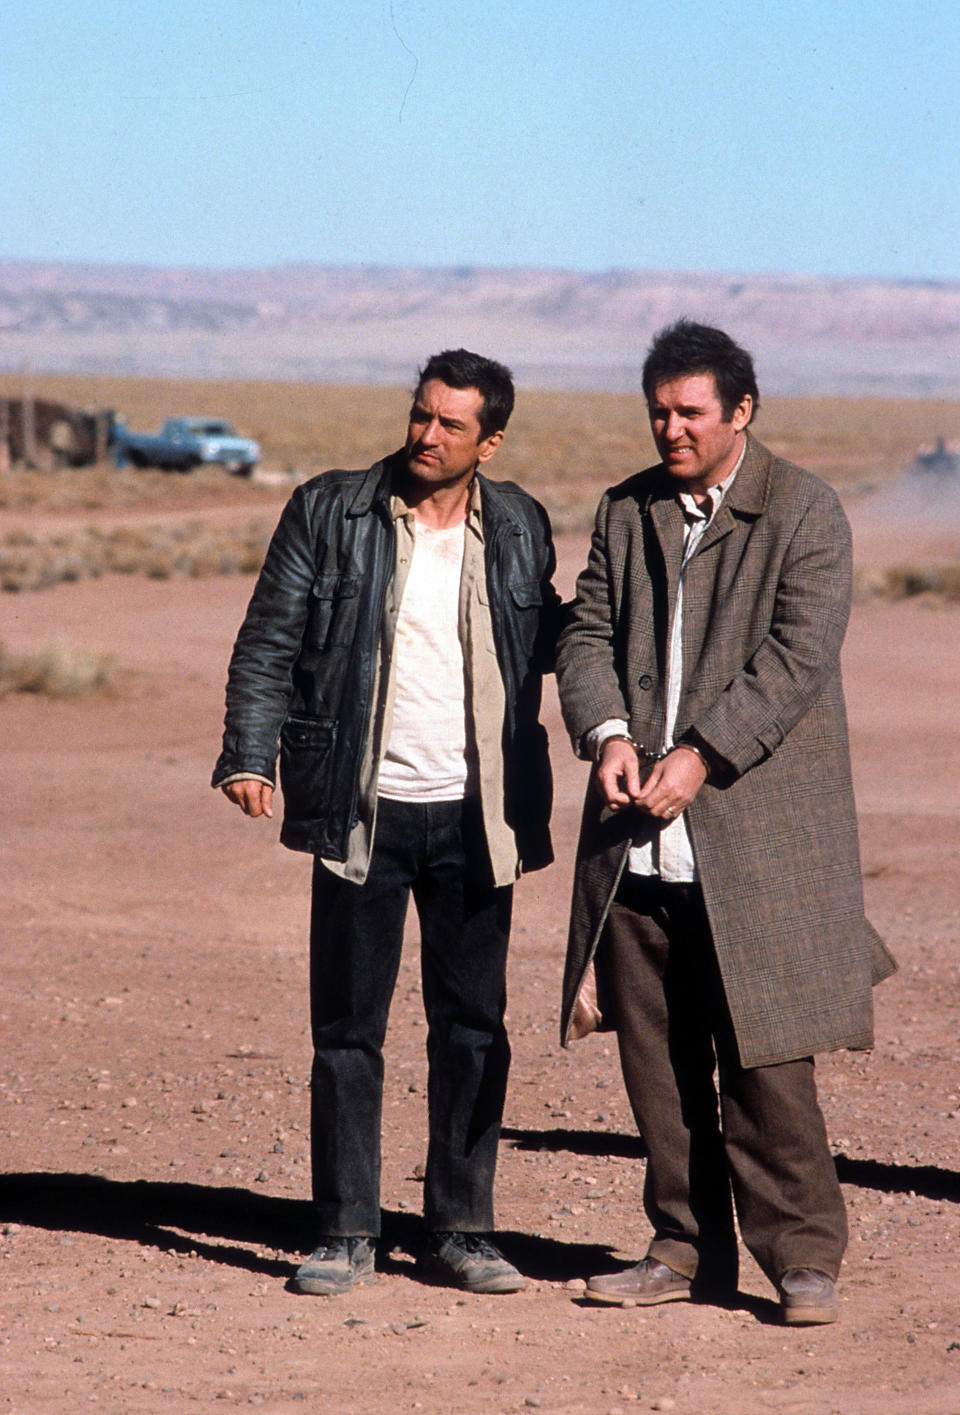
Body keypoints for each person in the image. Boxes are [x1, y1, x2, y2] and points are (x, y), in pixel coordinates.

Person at [556, 320, 895, 1325]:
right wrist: (607, 729)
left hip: (752, 834)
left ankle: (802, 1256)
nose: (670, 429)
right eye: (657, 411)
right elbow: (586, 629)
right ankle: (681, 1246)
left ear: (742, 410)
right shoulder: (628, 511)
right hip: (635, 837)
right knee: (656, 1063)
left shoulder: (805, 512)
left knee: (767, 1055)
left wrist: (701, 753)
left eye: (689, 411)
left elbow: (797, 657)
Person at [213, 348, 560, 1296]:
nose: (426, 434)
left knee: (474, 1028)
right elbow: (270, 635)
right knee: (347, 1028)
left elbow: (562, 638)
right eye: (421, 414)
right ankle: (344, 1229)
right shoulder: (330, 510)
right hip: (361, 807)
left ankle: (463, 1227)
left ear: (490, 441)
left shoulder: (523, 525)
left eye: (451, 424)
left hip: (478, 813)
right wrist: (250, 750)